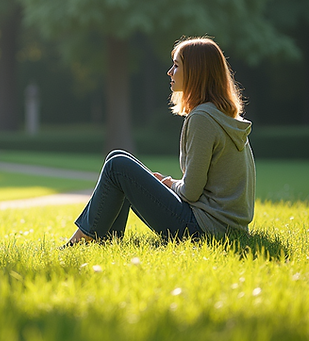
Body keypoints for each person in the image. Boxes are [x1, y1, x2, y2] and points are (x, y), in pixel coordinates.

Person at [62, 37, 256, 247]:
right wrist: (167, 183)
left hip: (205, 228)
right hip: (223, 227)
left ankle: (83, 238)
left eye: (176, 65)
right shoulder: (222, 115)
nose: (170, 72)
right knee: (119, 160)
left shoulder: (203, 118)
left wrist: (170, 184)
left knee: (117, 165)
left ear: (195, 71)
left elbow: (191, 192)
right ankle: (104, 241)